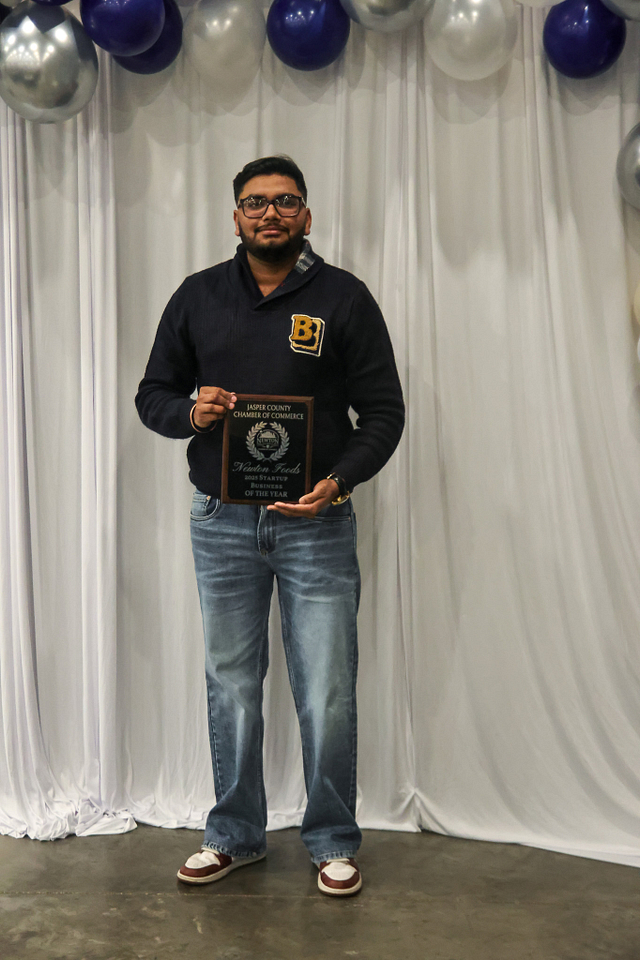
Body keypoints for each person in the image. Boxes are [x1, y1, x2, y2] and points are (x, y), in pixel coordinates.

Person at [136, 156, 404, 897]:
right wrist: (192, 413)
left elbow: (384, 413)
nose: (270, 213)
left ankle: (332, 840)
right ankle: (234, 835)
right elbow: (153, 395)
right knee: (231, 684)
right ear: (236, 218)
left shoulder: (344, 298)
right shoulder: (198, 296)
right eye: (255, 203)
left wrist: (337, 482)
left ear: (306, 216)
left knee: (327, 688)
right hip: (221, 521)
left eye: (286, 201)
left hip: (318, 520)